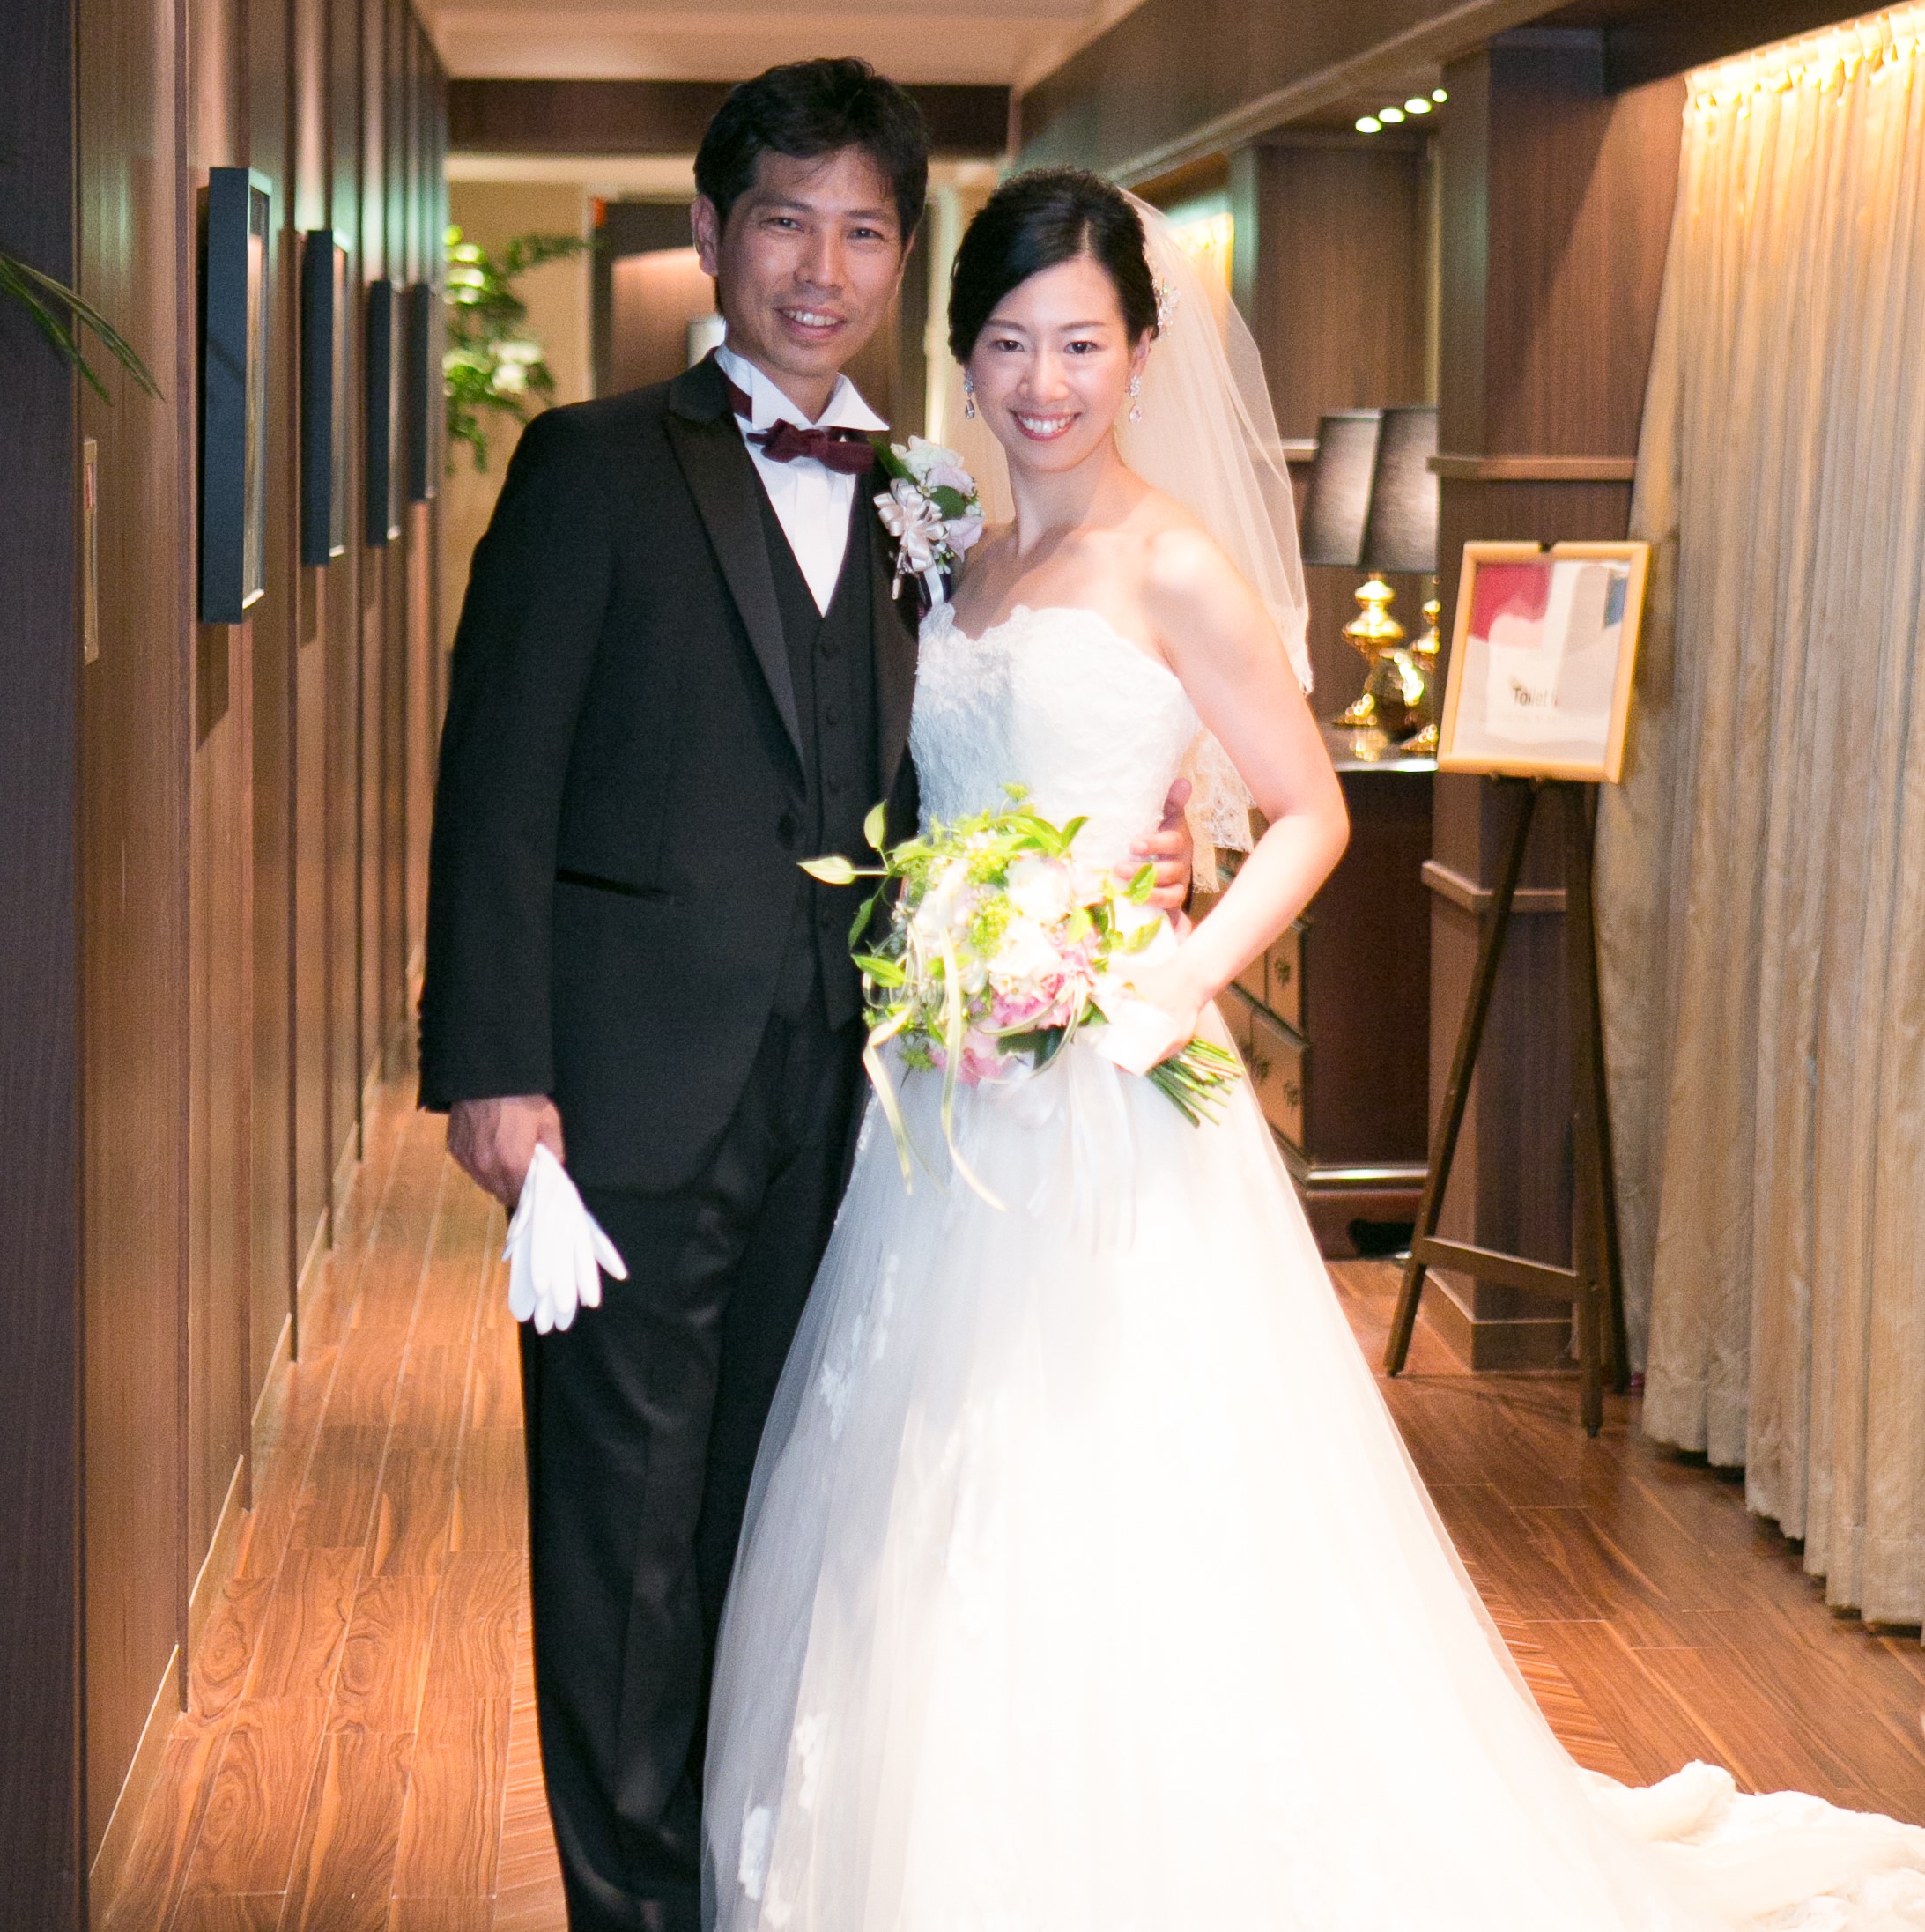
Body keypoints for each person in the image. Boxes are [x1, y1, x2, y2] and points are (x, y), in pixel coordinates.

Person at [701, 167, 1925, 1932]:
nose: (1044, 382)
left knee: (1120, 1471)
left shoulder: (1173, 562)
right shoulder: (952, 548)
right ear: (963, 356)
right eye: (1010, 344)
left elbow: (1308, 808)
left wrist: (1163, 972)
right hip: (946, 1092)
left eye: (1081, 344)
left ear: (1140, 354)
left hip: (1113, 1086)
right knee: (932, 1469)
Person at [419, 65, 1194, 1932]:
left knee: (777, 1526)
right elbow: (494, 784)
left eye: (860, 231)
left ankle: (742, 1877)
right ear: (713, 234)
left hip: (864, 1114)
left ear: (899, 255)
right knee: (619, 1536)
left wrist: (1128, 846)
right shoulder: (592, 465)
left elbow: (956, 768)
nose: (820, 269)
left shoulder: (929, 498)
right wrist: (494, 1070)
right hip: (626, 1095)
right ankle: (630, 1906)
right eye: (784, 221)